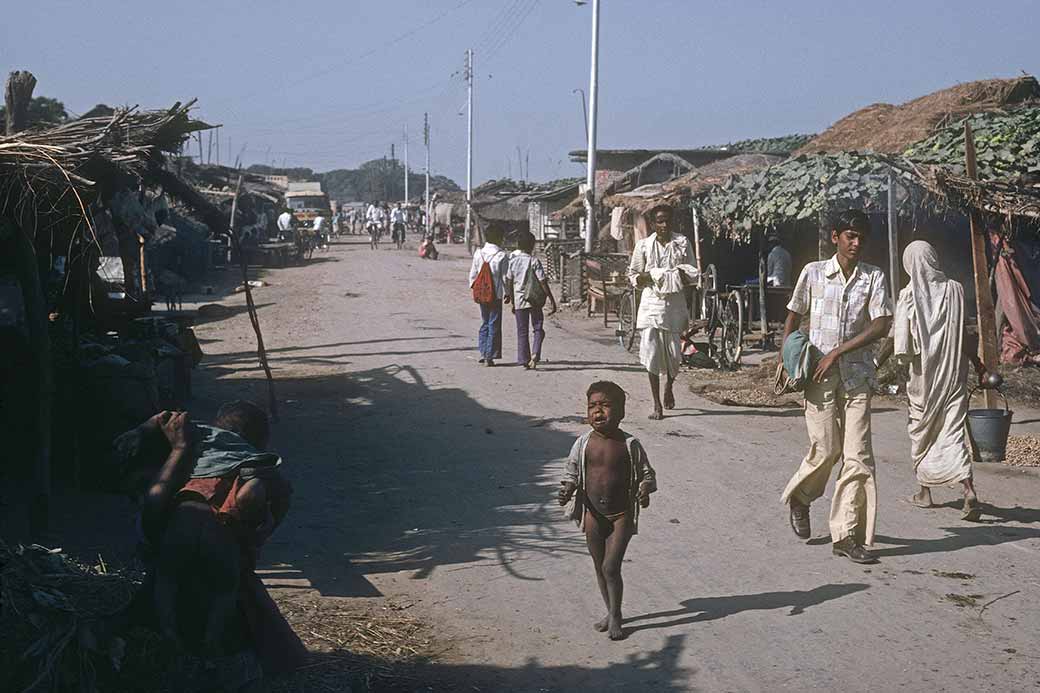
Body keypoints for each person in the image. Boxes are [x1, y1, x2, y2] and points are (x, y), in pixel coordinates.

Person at [116, 402, 305, 680]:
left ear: (218, 425)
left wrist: (138, 431)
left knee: (167, 578)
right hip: (222, 532)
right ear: (260, 439)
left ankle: (168, 632)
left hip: (181, 523)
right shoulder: (252, 457)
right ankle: (212, 640)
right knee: (224, 589)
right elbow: (280, 501)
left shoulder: (197, 439)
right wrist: (264, 528)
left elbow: (162, 420)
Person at [781, 209, 892, 564]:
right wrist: (787, 360)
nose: (856, 243)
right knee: (826, 450)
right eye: (850, 236)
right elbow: (794, 315)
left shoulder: (873, 277)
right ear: (835, 238)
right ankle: (801, 497)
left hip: (858, 376)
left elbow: (881, 324)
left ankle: (846, 534)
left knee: (858, 457)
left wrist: (839, 352)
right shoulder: (813, 273)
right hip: (818, 376)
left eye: (861, 237)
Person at [894, 240, 986, 521]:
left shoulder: (908, 295)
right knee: (952, 432)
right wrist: (978, 364)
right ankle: (968, 490)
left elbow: (901, 345)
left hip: (922, 377)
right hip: (952, 376)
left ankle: (925, 493)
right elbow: (967, 336)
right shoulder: (955, 290)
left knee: (922, 431)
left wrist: (891, 366)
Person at [558, 381, 656, 641]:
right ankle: (611, 610)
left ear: (622, 412)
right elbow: (572, 472)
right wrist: (567, 489)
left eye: (605, 405)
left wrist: (645, 489)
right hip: (593, 514)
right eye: (593, 406)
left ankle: (616, 615)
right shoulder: (583, 443)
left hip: (620, 514)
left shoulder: (630, 444)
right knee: (599, 566)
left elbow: (647, 474)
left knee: (611, 566)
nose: (598, 412)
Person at [627, 205, 698, 419]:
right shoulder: (644, 246)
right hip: (651, 305)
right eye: (660, 221)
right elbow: (634, 275)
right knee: (651, 354)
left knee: (674, 355)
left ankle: (669, 386)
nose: (664, 225)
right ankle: (656, 403)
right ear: (653, 223)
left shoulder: (682, 243)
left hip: (674, 306)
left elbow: (692, 273)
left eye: (667, 221)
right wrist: (654, 276)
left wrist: (676, 276)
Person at [505, 231, 558, 369]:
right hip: (534, 299)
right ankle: (535, 353)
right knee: (538, 328)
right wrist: (551, 299)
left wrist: (511, 299)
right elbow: (543, 282)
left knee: (522, 331)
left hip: (519, 300)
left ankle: (524, 359)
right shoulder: (534, 261)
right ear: (532, 246)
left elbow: (509, 282)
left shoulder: (513, 262)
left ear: (518, 245)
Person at [468, 225, 509, 366]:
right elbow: (505, 278)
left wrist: (476, 289)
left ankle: (483, 351)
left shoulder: (478, 253)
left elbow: (473, 275)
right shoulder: (502, 255)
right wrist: (508, 293)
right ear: (499, 238)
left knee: (485, 322)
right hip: (496, 295)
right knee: (494, 324)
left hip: (481, 294)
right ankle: (489, 356)